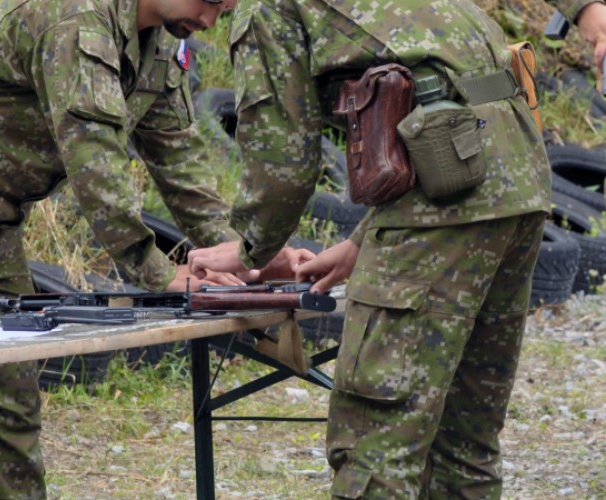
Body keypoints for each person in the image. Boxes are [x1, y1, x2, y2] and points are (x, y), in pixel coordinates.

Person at [185, 0, 606, 497]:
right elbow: (437, 87)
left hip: (446, 194)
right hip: (518, 182)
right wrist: (362, 240)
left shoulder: (266, 8)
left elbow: (285, 153)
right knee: (463, 444)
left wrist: (252, 248)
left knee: (374, 450)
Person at [0, 0, 249, 497]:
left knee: (8, 412)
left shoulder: (160, 42)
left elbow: (180, 158)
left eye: (224, 10)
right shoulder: (73, 16)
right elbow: (94, 164)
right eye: (210, 1)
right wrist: (159, 273)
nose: (209, 21)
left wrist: (246, 255)